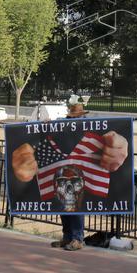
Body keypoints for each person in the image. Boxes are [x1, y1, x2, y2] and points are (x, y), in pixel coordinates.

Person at [51, 95, 88, 251]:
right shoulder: (63, 124)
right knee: (64, 204)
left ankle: (77, 238)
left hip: (78, 170)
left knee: (76, 205)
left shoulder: (86, 126)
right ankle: (67, 236)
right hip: (65, 168)